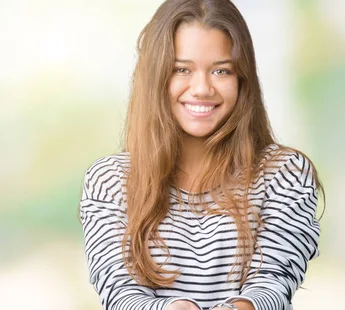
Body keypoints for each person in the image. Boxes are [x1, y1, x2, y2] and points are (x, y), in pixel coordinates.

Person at [78, 1, 324, 310]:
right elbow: (118, 291)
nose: (202, 89)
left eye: (221, 70)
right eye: (182, 69)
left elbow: (274, 282)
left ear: (242, 79)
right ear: (156, 76)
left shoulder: (285, 173)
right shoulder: (109, 180)